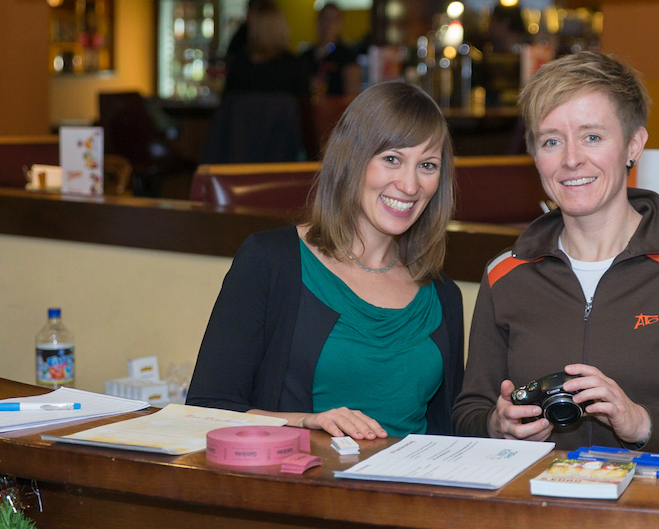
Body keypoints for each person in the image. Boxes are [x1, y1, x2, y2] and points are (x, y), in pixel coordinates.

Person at [452, 52, 659, 457]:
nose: (571, 159)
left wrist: (641, 423)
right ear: (535, 155)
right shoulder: (505, 273)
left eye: (592, 137)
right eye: (551, 141)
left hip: (657, 496)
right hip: (535, 494)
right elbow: (468, 413)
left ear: (633, 145)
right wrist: (497, 424)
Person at [188, 82, 464, 440]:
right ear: (351, 159)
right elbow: (206, 410)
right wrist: (305, 421)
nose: (410, 186)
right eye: (392, 159)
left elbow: (451, 433)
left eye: (427, 165)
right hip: (300, 474)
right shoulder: (270, 262)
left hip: (413, 477)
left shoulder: (443, 295)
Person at [201, 2, 312, 163]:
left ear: (253, 29)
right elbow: (306, 114)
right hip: (283, 157)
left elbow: (225, 112)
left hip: (237, 155)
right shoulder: (295, 66)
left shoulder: (239, 66)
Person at [300, 3, 361, 96]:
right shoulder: (306, 56)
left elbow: (352, 93)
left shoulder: (346, 56)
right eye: (325, 18)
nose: (328, 24)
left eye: (333, 19)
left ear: (340, 23)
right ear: (317, 21)